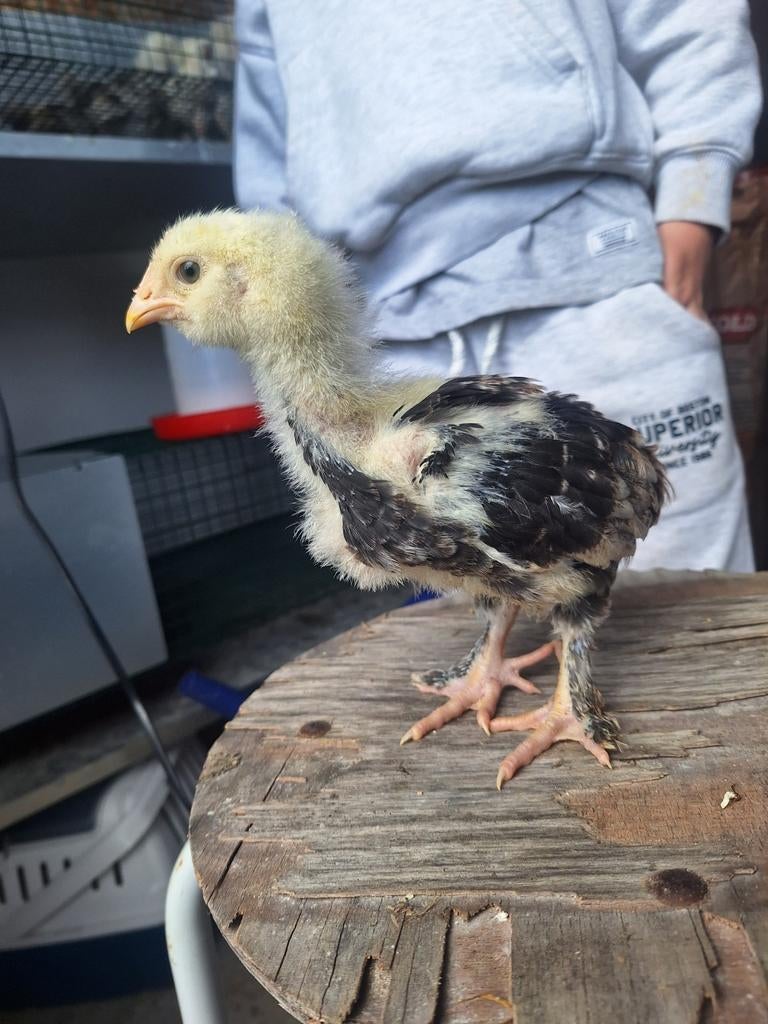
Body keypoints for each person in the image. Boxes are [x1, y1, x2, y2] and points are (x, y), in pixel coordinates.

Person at [232, 0, 762, 571]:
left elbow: (686, 17)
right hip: (390, 348)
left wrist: (689, 210)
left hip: (600, 298)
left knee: (690, 615)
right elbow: (268, 111)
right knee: (467, 632)